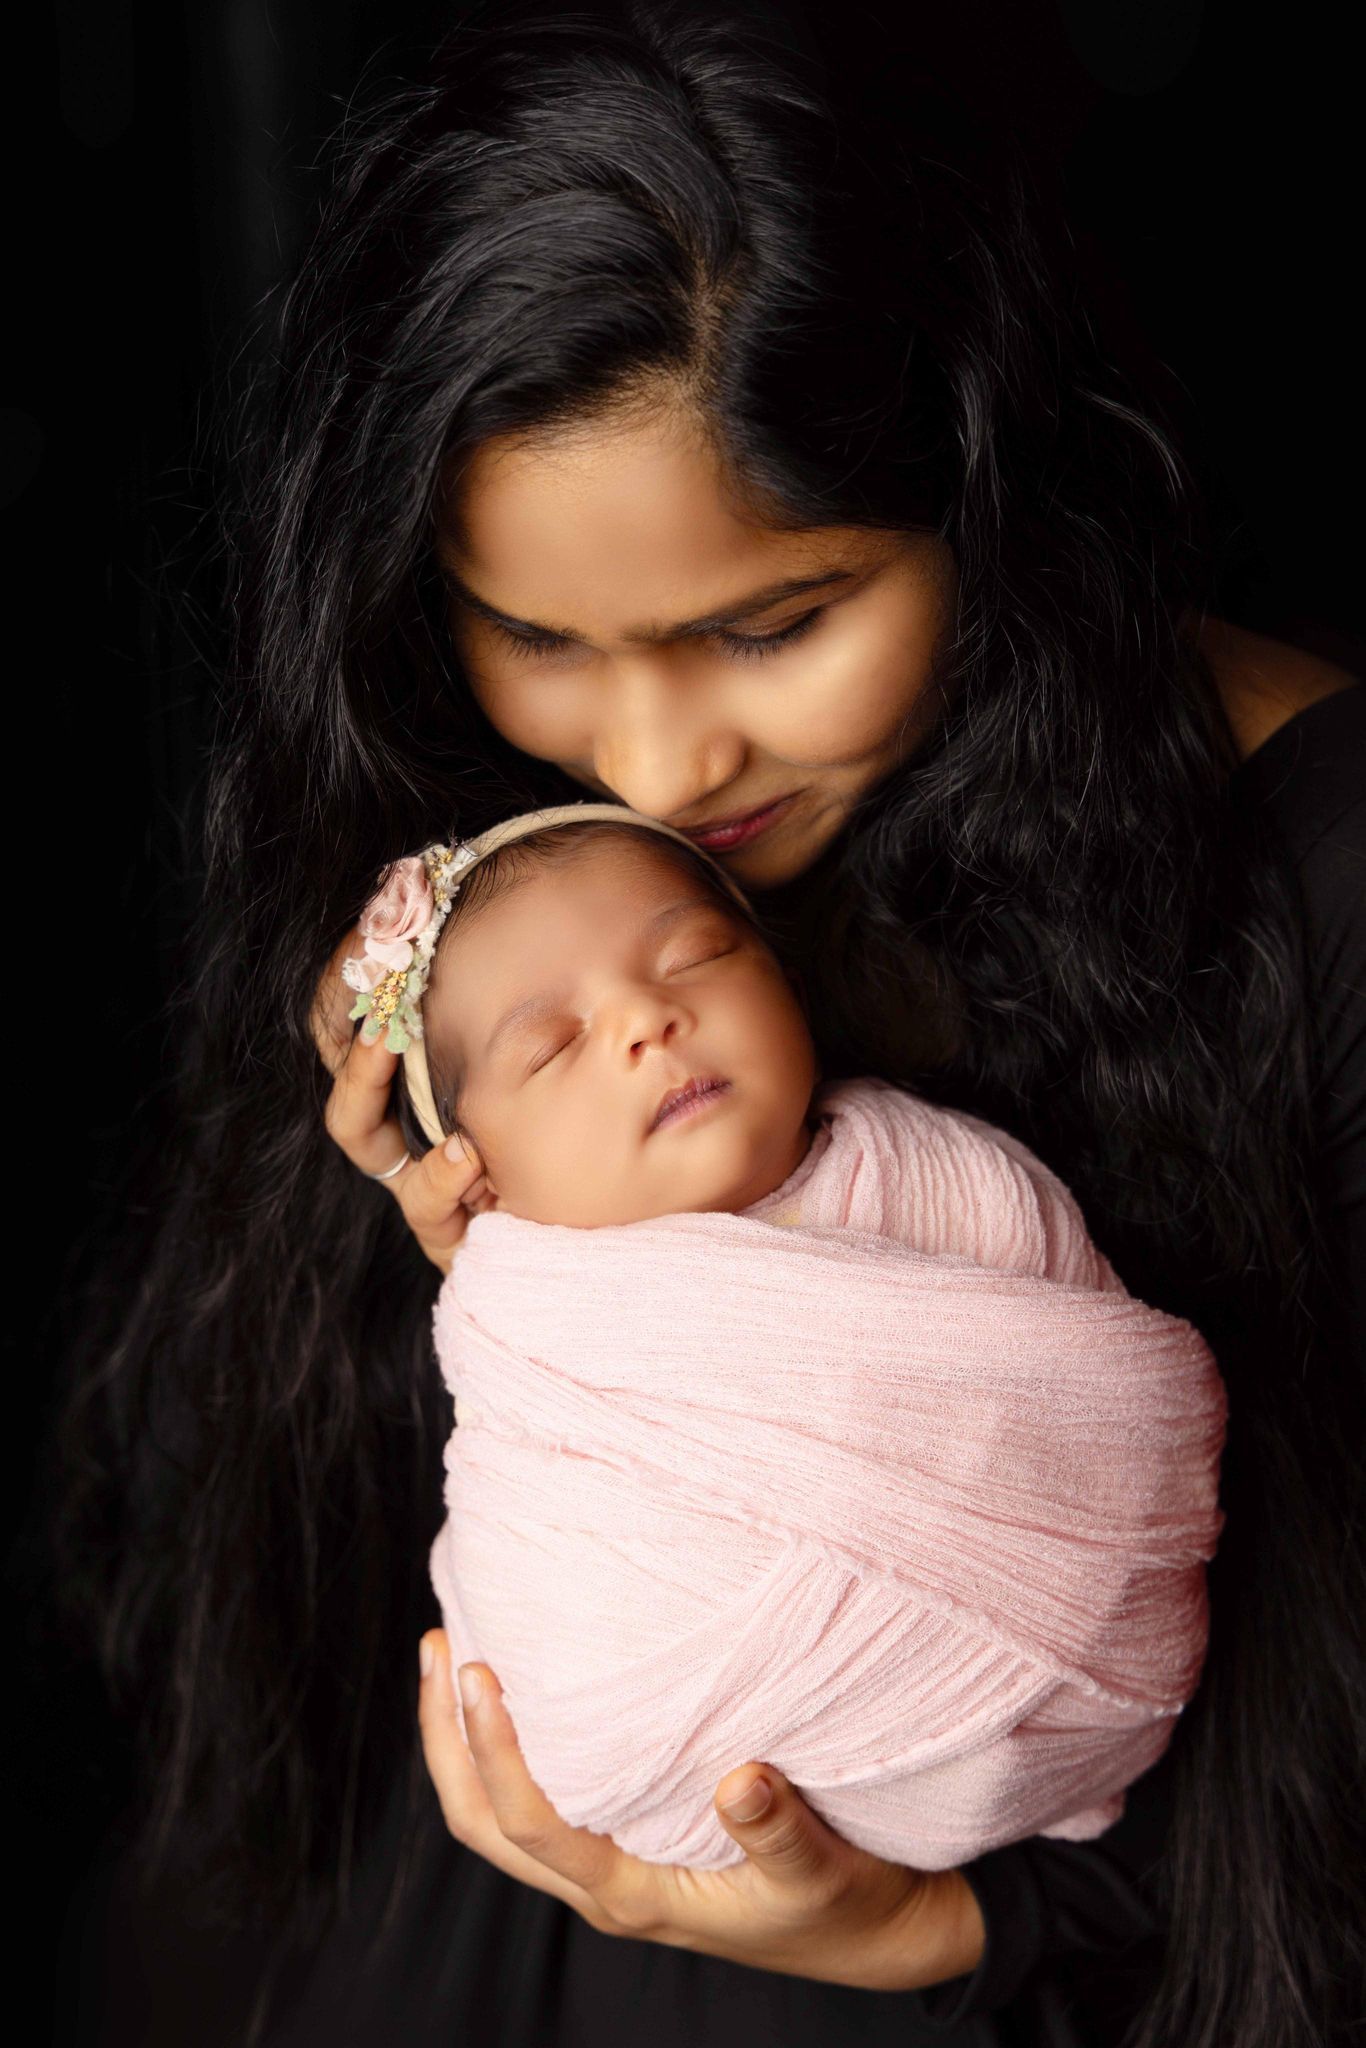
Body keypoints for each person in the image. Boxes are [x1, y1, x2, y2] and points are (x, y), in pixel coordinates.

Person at [59, 3, 1365, 2045]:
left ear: (990, 496)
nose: (657, 761)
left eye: (771, 626)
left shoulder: (1326, 883)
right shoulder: (495, 871)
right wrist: (511, 1293)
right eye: (536, 638)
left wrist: (950, 1933)